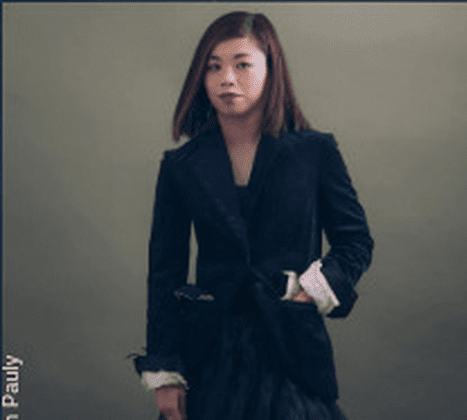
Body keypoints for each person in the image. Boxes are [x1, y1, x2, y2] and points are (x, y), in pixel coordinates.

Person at [130, 11, 374, 420]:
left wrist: (312, 289)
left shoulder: (314, 152)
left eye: (242, 64)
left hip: (291, 351)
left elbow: (355, 242)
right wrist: (165, 372)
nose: (226, 79)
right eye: (214, 67)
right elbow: (164, 274)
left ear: (271, 70)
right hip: (209, 357)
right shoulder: (181, 165)